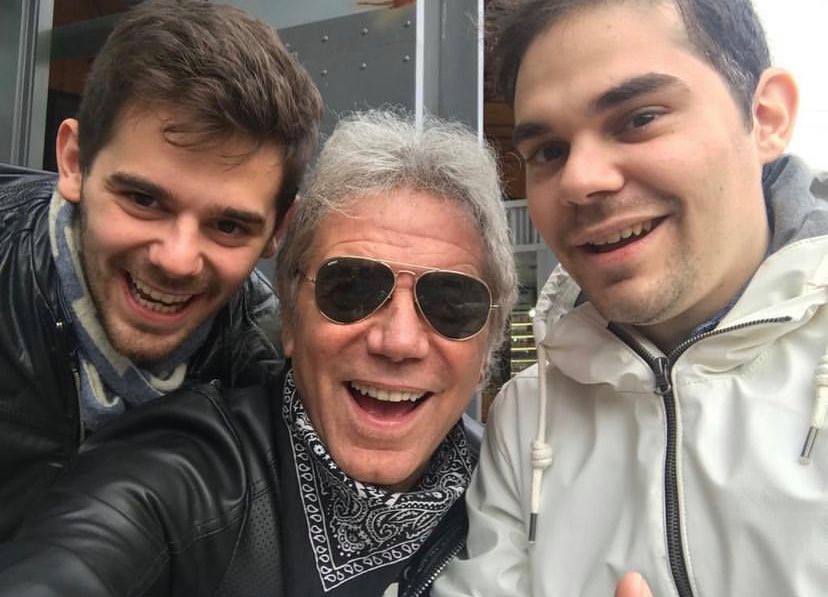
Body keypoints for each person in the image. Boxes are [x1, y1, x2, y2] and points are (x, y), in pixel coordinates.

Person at [0, 110, 518, 597]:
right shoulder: (184, 471)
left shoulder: (516, 487)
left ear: (488, 343)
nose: (399, 341)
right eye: (351, 289)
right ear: (290, 318)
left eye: (451, 304)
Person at [433, 0, 828, 595]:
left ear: (766, 117)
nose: (580, 180)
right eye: (549, 152)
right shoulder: (527, 414)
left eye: (639, 118)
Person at [0, 0, 323, 541]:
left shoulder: (267, 375)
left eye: (228, 226)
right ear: (75, 162)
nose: (176, 259)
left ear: (277, 231)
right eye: (143, 200)